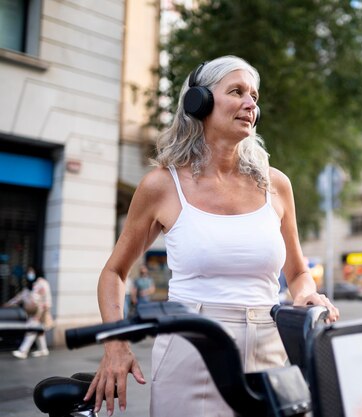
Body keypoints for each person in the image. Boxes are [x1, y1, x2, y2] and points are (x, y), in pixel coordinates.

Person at [85, 56, 340, 417]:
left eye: (254, 95)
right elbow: (114, 273)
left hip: (268, 351)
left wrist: (308, 296)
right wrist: (115, 343)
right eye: (236, 92)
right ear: (199, 102)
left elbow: (298, 275)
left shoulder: (276, 184)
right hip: (190, 352)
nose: (251, 103)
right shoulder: (162, 185)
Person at [4, 266, 53, 358]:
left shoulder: (42, 283)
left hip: (40, 312)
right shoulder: (30, 285)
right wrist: (8, 304)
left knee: (31, 329)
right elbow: (20, 297)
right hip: (32, 312)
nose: (29, 274)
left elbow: (47, 299)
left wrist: (42, 312)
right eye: (28, 272)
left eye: (31, 271)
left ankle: (23, 351)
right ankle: (43, 350)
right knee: (38, 331)